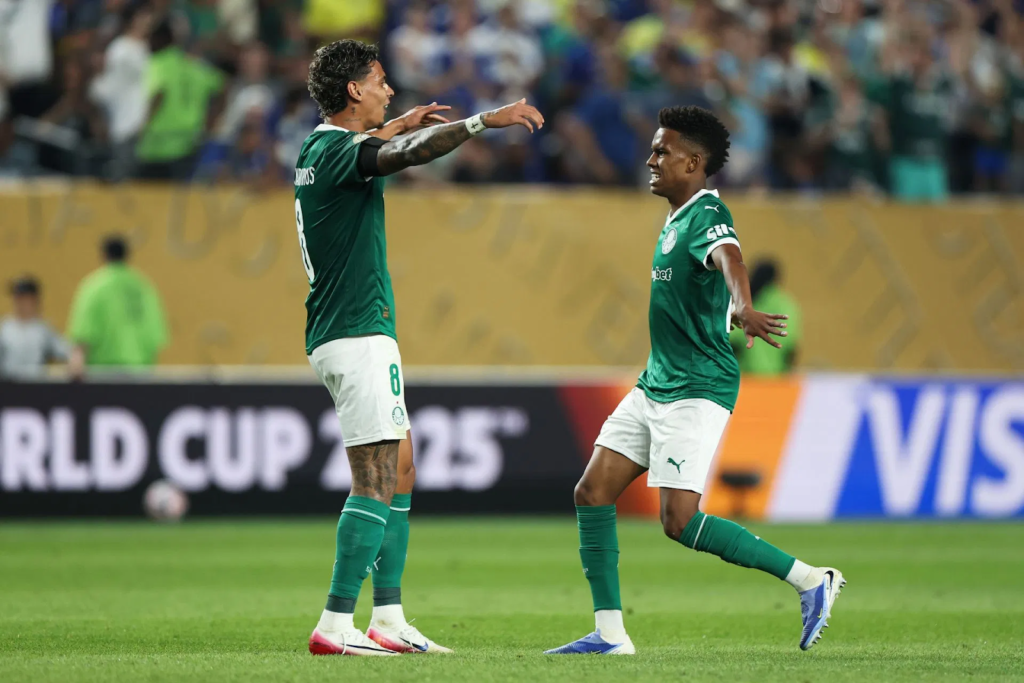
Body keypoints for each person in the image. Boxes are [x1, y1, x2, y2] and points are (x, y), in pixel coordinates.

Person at [545, 106, 843, 657]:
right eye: (652, 150)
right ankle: (610, 635)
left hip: (697, 387)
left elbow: (731, 258)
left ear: (694, 161)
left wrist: (743, 306)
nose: (651, 159)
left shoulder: (708, 212)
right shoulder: (677, 218)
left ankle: (810, 579)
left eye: (663, 151)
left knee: (678, 521)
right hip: (656, 381)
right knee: (592, 491)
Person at [298, 39, 543, 657]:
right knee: (376, 478)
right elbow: (402, 155)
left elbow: (379, 144)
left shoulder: (317, 148)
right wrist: (483, 121)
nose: (389, 90)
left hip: (351, 331)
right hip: (355, 332)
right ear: (354, 90)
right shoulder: (340, 152)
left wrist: (394, 125)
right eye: (379, 80)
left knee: (402, 465)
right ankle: (334, 624)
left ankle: (388, 617)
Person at [66, 236, 169, 377]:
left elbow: (83, 334)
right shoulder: (144, 287)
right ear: (127, 255)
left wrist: (76, 364)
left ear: (103, 255)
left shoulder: (94, 286)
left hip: (102, 373)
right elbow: (156, 335)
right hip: (140, 372)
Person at [730, 258, 802, 375]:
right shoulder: (787, 304)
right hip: (777, 379)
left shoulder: (745, 303)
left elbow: (731, 340)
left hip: (747, 378)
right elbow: (791, 346)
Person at [0, 276, 70, 380]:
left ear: (35, 300)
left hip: (35, 383)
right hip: (7, 383)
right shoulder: (5, 328)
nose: (21, 303)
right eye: (18, 298)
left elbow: (65, 351)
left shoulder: (44, 329)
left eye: (25, 298)